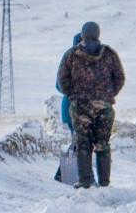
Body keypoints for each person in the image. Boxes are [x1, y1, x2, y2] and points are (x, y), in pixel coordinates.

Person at [56, 21, 126, 188]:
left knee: (83, 143)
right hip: (104, 106)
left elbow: (62, 80)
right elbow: (120, 78)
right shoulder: (109, 54)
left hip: (80, 107)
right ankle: (104, 183)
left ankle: (85, 181)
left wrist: (72, 95)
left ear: (82, 34)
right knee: (103, 144)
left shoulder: (72, 54)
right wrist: (108, 95)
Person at [53, 29, 82, 184]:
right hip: (72, 109)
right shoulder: (69, 60)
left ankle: (65, 173)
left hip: (78, 109)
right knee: (80, 141)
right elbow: (58, 84)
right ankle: (69, 174)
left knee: (79, 141)